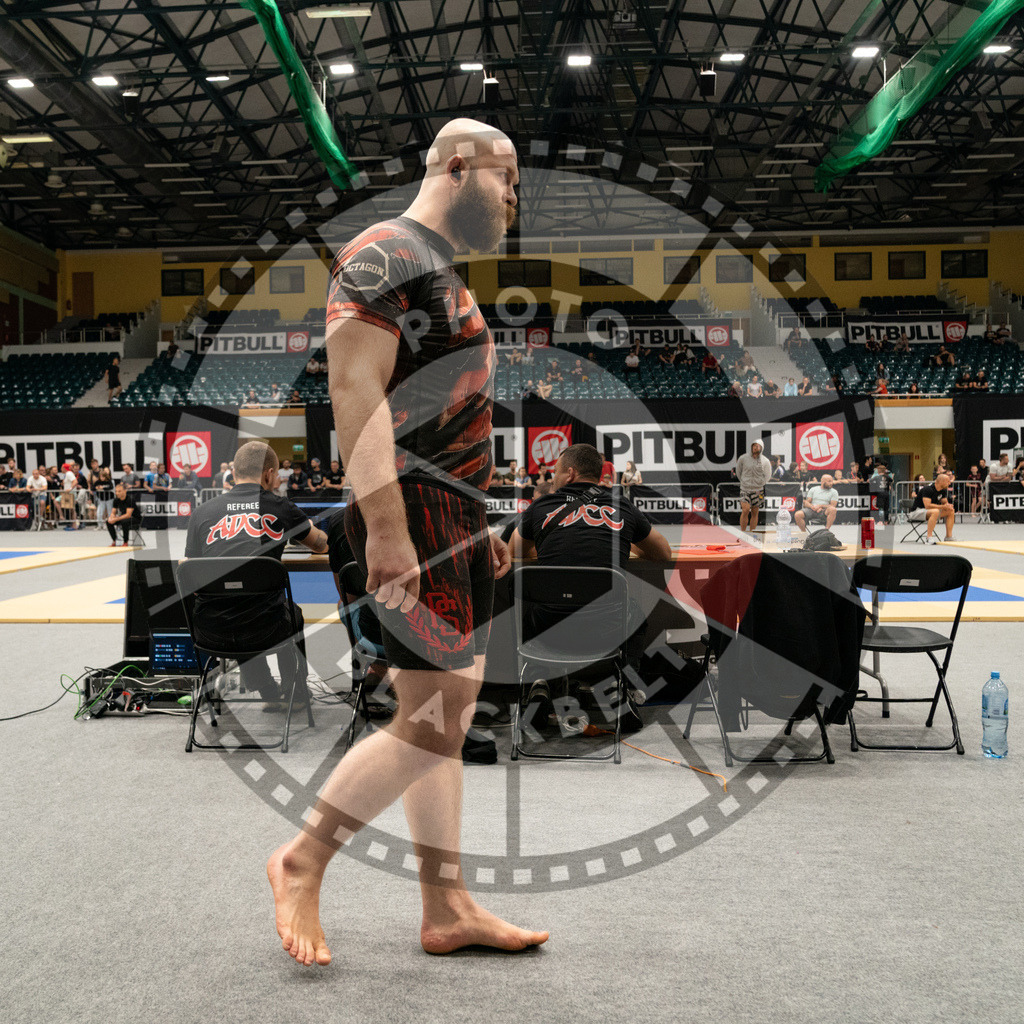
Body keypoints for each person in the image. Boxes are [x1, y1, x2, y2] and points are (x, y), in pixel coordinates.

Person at [269, 117, 546, 966]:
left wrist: (481, 524)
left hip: (452, 517)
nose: (512, 198)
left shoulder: (441, 275)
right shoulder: (385, 252)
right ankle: (301, 858)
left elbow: (445, 413)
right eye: (507, 180)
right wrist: (389, 528)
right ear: (458, 166)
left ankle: (446, 904)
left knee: (443, 721)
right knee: (430, 721)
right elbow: (357, 392)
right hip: (411, 516)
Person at [184, 440, 327, 701]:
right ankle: (295, 691)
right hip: (266, 628)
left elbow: (190, 572)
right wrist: (300, 524)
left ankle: (265, 688)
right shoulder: (280, 507)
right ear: (269, 474)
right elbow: (320, 545)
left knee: (238, 601)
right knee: (281, 611)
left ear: (235, 472)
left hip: (211, 629)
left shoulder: (201, 512)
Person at [508, 441, 672, 667]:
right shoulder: (621, 505)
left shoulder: (541, 506)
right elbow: (663, 552)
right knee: (637, 615)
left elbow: (513, 550)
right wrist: (627, 542)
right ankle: (626, 684)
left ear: (570, 474)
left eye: (556, 472)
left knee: (528, 607)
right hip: (607, 627)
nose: (553, 478)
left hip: (549, 625)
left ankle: (538, 680)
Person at [735, 440, 772, 535]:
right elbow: (738, 472)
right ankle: (743, 533)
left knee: (755, 512)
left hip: (758, 490)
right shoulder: (743, 458)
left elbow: (768, 476)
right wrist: (744, 481)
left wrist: (760, 484)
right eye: (753, 445)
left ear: (761, 448)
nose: (755, 447)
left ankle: (752, 534)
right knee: (745, 510)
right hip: (745, 489)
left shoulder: (765, 461)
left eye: (757, 446)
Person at [909, 471, 956, 544]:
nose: (949, 483)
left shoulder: (943, 490)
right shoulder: (928, 489)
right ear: (941, 482)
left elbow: (944, 502)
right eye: (947, 481)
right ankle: (929, 537)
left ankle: (948, 537)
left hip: (930, 511)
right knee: (935, 511)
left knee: (951, 511)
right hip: (916, 512)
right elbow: (927, 506)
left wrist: (948, 506)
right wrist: (942, 506)